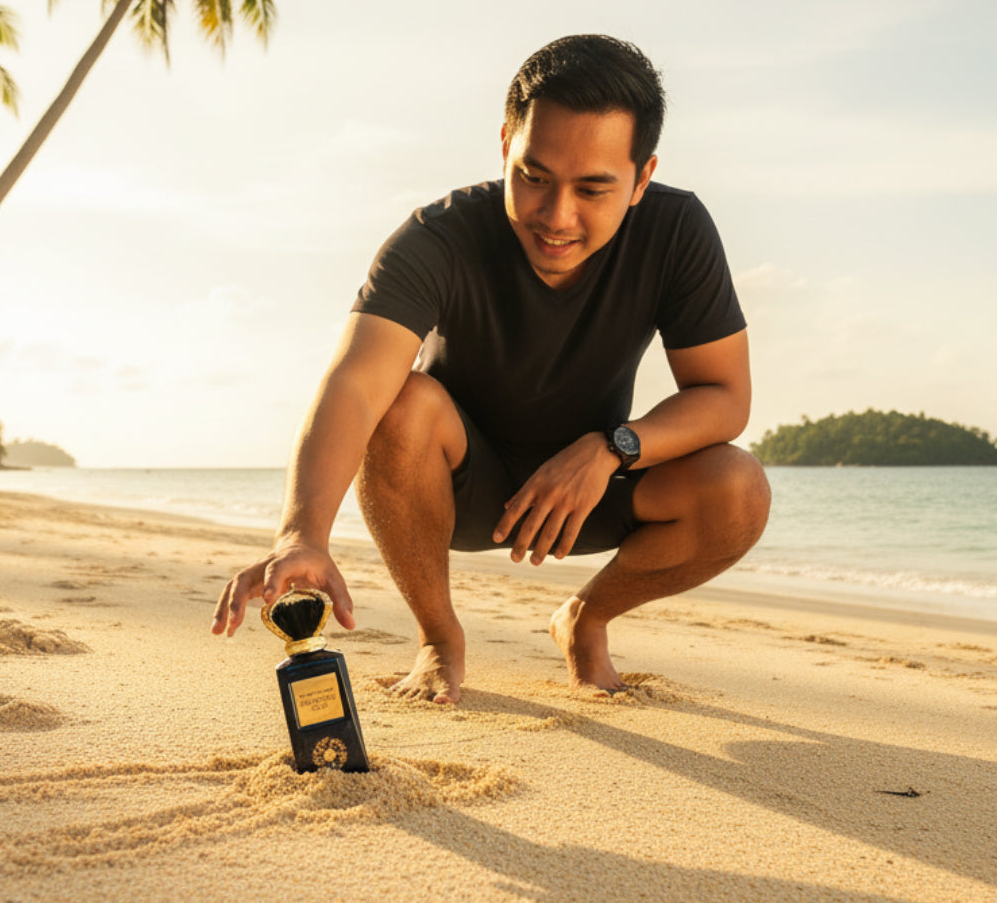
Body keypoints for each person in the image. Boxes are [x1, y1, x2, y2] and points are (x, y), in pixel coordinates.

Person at [211, 34, 771, 703]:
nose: (556, 217)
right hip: (452, 489)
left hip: (591, 493)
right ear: (506, 143)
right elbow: (356, 386)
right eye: (534, 176)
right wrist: (302, 533)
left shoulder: (677, 231)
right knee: (402, 399)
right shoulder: (439, 237)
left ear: (642, 178)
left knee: (739, 487)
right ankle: (439, 640)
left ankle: (586, 621)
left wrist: (611, 448)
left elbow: (724, 396)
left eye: (594, 189)